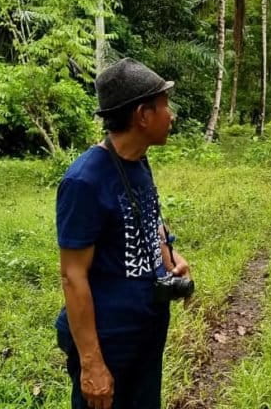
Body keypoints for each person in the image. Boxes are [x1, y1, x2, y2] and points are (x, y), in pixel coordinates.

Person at [55, 58, 191, 409]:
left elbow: (149, 218)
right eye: (164, 106)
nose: (171, 115)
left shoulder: (138, 160)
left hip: (146, 327)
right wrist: (92, 364)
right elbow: (72, 276)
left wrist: (169, 258)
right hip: (109, 339)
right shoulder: (84, 180)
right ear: (143, 116)